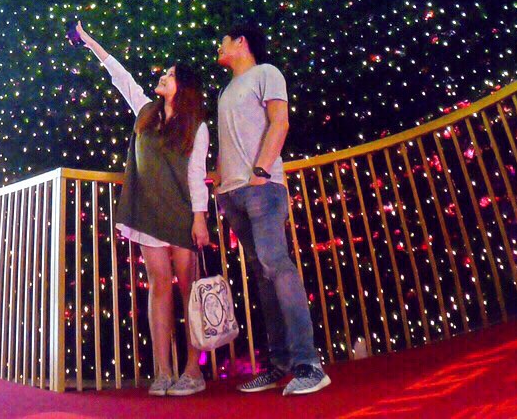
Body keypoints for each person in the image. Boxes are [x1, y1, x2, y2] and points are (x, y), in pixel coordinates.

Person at [75, 22, 210, 397]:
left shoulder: (195, 126)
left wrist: (200, 219)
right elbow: (120, 77)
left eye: (171, 74)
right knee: (159, 288)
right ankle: (163, 371)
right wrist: (91, 42)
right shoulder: (147, 112)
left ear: (184, 86)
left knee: (190, 290)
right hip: (149, 213)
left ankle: (193, 371)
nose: (163, 76)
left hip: (182, 215)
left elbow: (197, 175)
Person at [213, 24, 330, 397]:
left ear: (241, 42)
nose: (219, 46)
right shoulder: (224, 92)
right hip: (232, 194)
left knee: (277, 266)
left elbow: (280, 120)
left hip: (262, 189)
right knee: (263, 276)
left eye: (224, 40)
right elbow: (228, 141)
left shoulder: (267, 73)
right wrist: (220, 184)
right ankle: (279, 364)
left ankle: (308, 364)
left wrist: (261, 172)